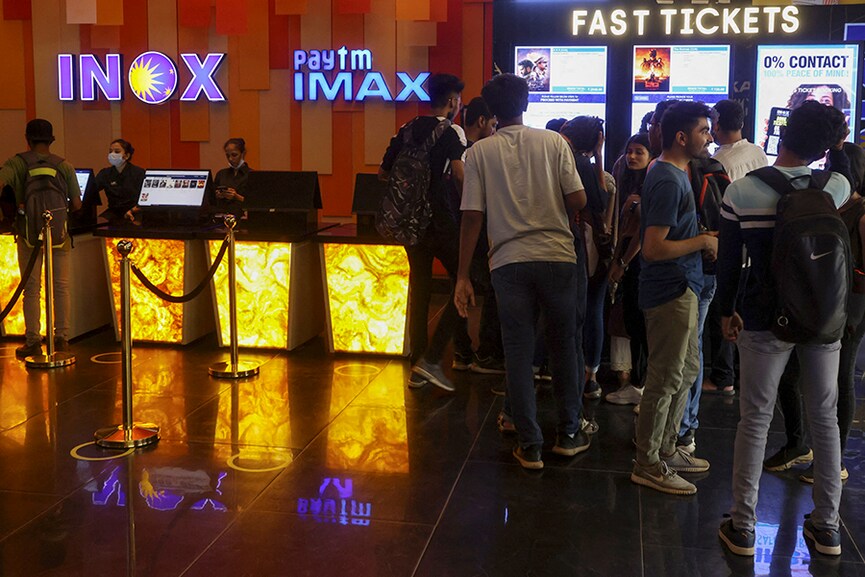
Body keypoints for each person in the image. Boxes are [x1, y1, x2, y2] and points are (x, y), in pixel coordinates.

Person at [716, 101, 850, 557]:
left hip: (764, 315)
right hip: (824, 317)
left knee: (755, 418)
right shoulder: (836, 186)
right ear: (826, 145)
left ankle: (743, 525)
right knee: (824, 418)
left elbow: (730, 266)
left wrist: (725, 312)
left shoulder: (741, 192)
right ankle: (828, 526)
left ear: (783, 132)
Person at [454, 73, 588, 470]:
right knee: (565, 346)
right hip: (558, 257)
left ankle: (529, 443)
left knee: (517, 350)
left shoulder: (478, 152)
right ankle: (568, 433)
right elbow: (578, 197)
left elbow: (472, 216)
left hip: (508, 262)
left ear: (491, 109)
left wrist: (462, 275)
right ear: (526, 102)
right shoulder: (553, 142)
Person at [631, 101, 717, 496]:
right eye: (703, 130)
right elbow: (653, 248)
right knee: (665, 378)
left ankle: (666, 449)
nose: (709, 137)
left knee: (685, 371)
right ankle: (647, 462)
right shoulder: (666, 177)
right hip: (671, 289)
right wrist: (701, 241)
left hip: (685, 286)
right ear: (681, 137)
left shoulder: (675, 171)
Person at [379, 73, 466, 392]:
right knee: (465, 281)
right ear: (453, 101)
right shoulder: (451, 132)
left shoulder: (407, 128)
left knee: (420, 287)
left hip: (409, 222)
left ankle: (418, 359)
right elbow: (459, 175)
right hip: (440, 219)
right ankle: (435, 357)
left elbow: (382, 172)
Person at [0, 119, 82, 357]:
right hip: (59, 235)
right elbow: (77, 204)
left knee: (31, 289)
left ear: (27, 138)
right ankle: (62, 338)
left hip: (28, 235)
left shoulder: (17, 163)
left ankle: (33, 341)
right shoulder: (64, 165)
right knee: (61, 287)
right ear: (51, 139)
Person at [559, 116, 612, 400]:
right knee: (591, 308)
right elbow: (600, 201)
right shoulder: (582, 164)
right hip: (585, 241)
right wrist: (600, 159)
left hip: (557, 241)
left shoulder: (556, 157)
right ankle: (588, 376)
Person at [453, 97, 504, 375]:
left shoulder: (457, 149)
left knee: (461, 290)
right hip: (480, 232)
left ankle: (460, 351)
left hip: (457, 230)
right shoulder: (479, 153)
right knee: (491, 291)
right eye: (493, 124)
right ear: (482, 121)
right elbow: (474, 207)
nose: (495, 130)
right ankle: (485, 353)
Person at [606, 133, 652, 405]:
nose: (632, 157)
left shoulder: (650, 185)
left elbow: (641, 231)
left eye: (639, 152)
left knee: (639, 323)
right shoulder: (627, 180)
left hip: (639, 262)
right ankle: (637, 380)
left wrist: (622, 263)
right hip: (628, 260)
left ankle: (640, 383)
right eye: (630, 151)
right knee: (633, 322)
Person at [91, 139, 145, 222]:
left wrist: (132, 210)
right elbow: (91, 189)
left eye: (117, 151)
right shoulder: (105, 173)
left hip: (134, 211)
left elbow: (146, 199)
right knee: (97, 223)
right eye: (110, 151)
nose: (112, 154)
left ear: (126, 156)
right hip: (113, 212)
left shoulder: (139, 173)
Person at [213, 138, 251, 218]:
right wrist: (217, 195)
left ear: (243, 153)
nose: (230, 159)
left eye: (234, 155)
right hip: (221, 217)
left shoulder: (251, 175)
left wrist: (236, 196)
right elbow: (211, 200)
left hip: (241, 218)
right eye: (227, 156)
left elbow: (255, 203)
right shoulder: (221, 174)